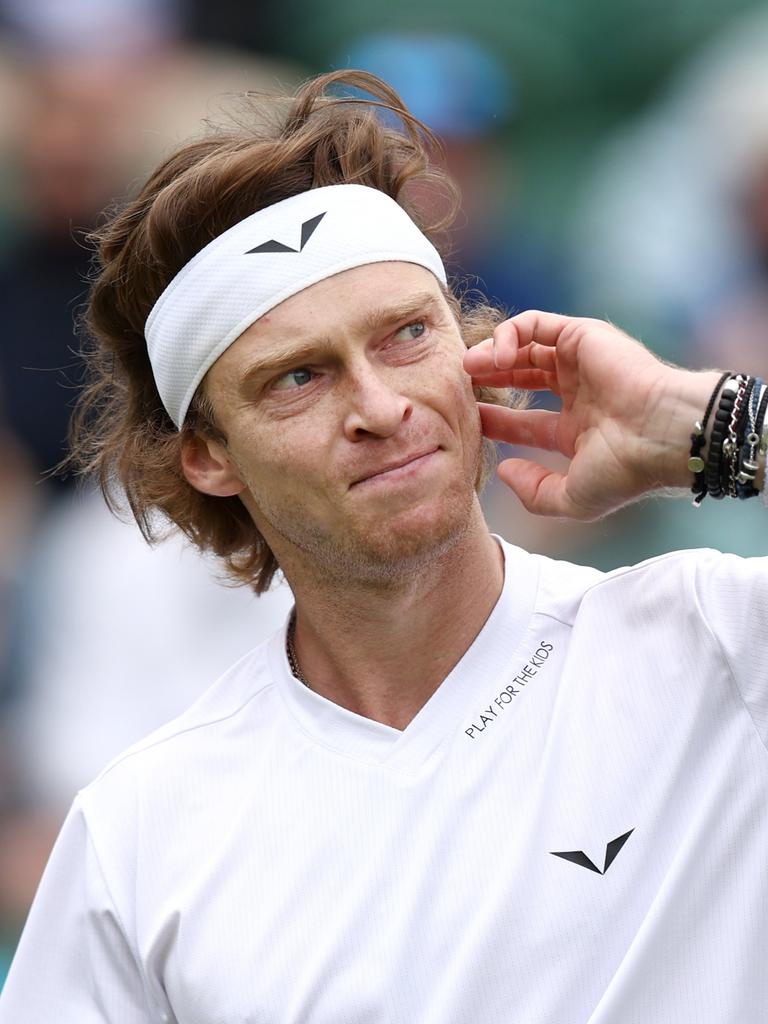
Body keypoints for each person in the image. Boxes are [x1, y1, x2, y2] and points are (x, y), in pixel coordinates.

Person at [0, 69, 766, 1023]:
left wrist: (715, 423)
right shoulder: (136, 835)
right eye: (298, 377)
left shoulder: (722, 641)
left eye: (408, 334)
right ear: (206, 457)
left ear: (472, 346)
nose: (379, 406)